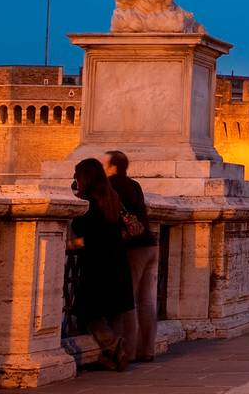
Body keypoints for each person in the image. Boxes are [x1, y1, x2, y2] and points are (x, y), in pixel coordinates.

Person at [67, 158, 134, 371]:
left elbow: (90, 238)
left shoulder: (87, 203)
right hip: (118, 261)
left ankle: (113, 344)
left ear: (83, 177)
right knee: (115, 311)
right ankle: (113, 357)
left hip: (97, 265)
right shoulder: (113, 198)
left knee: (89, 313)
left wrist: (71, 243)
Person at [103, 151, 157, 363]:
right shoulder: (134, 185)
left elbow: (109, 217)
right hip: (150, 244)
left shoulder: (111, 187)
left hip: (132, 247)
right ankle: (148, 349)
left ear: (112, 166)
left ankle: (129, 350)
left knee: (127, 300)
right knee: (147, 301)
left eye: (103, 163)